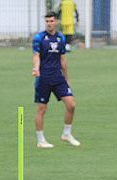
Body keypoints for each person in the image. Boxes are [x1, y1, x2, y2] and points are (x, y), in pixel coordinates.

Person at [32, 12, 80, 149]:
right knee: (42, 109)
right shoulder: (39, 38)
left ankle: (66, 134)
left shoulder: (61, 38)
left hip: (58, 78)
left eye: (51, 21)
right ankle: (40, 140)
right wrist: (36, 68)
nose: (49, 23)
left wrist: (67, 78)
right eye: (47, 21)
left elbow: (63, 59)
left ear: (56, 22)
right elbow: (36, 56)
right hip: (44, 78)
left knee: (71, 104)